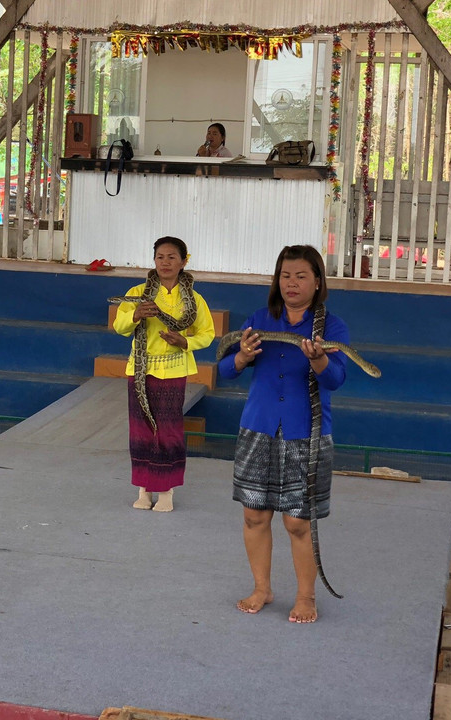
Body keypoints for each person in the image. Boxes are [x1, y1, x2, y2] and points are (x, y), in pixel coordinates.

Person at [217, 244, 348, 624]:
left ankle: (306, 597)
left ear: (317, 281)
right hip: (258, 427)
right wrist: (241, 355)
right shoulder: (260, 319)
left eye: (301, 276)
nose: (291, 283)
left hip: (306, 433)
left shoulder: (331, 327)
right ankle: (262, 588)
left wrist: (319, 358)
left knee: (297, 521)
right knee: (255, 515)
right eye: (285, 276)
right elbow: (226, 370)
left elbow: (336, 379)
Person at [112, 237, 215, 512]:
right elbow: (119, 326)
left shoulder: (192, 298)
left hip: (173, 370)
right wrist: (134, 315)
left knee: (168, 430)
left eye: (171, 257)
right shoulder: (137, 292)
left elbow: (207, 333)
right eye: (160, 257)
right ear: (153, 260)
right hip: (140, 369)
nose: (165, 262)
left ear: (183, 261)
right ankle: (144, 490)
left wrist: (185, 342)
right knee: (141, 430)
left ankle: (166, 491)